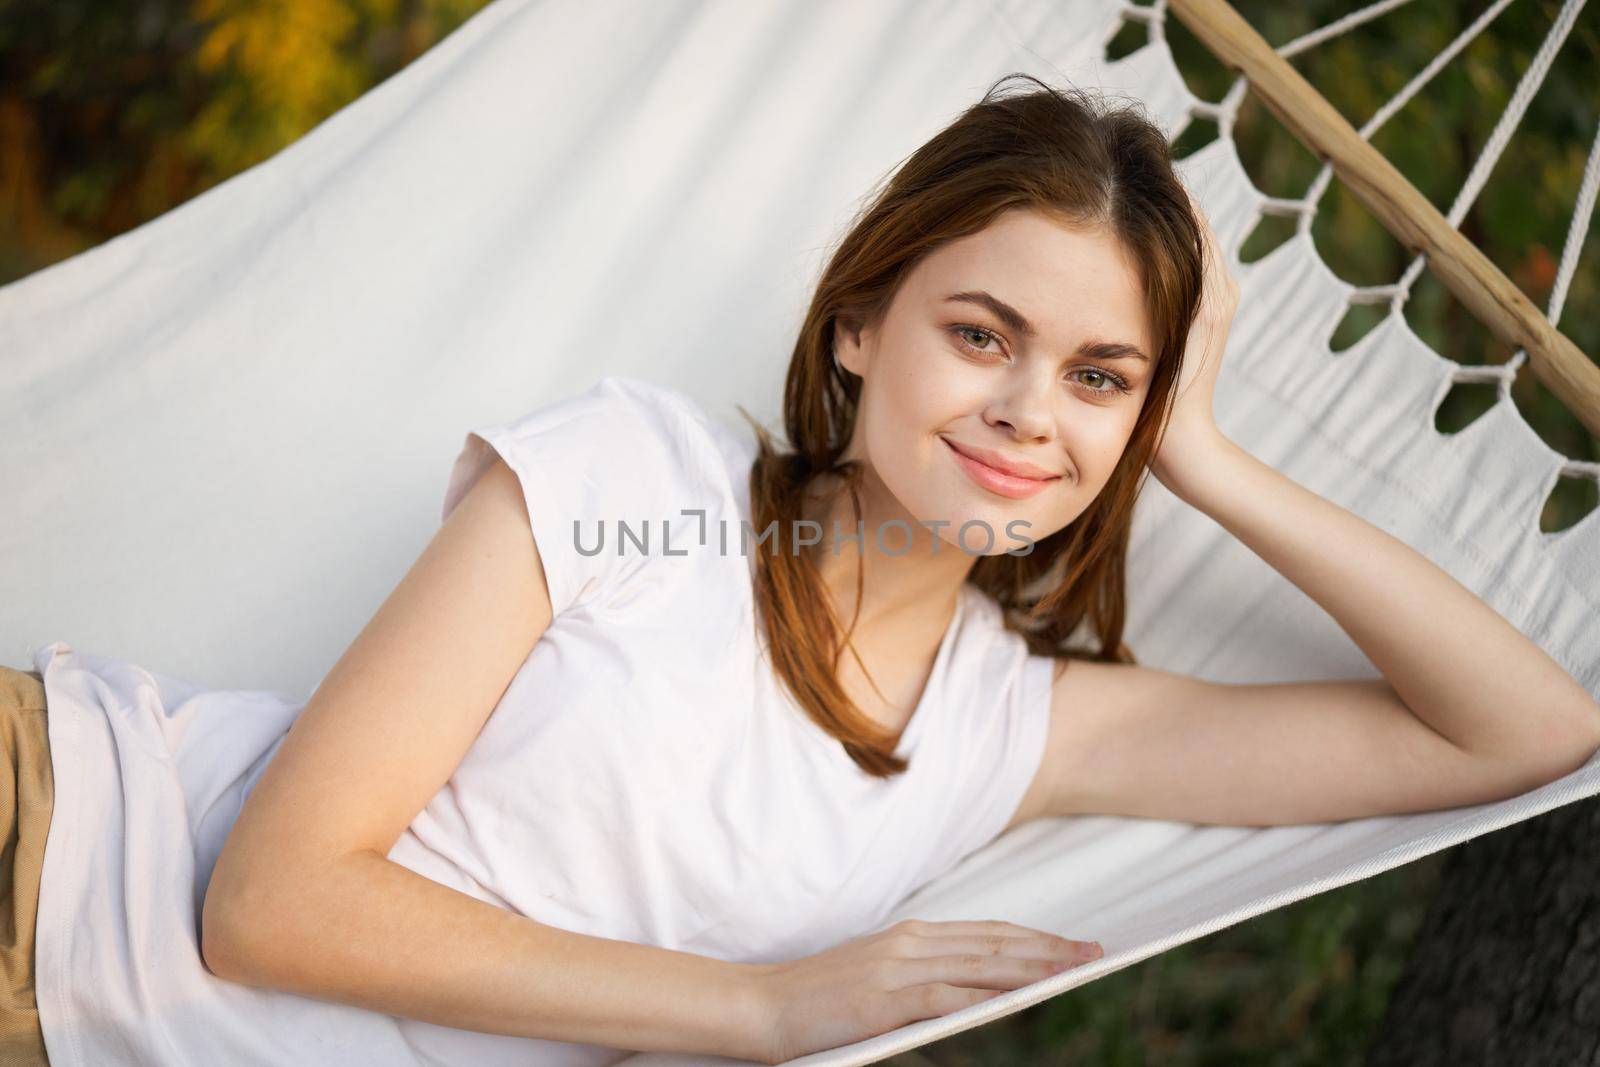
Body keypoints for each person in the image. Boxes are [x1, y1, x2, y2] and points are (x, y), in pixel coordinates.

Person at [6, 72, 1599, 1067]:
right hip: (55, 868)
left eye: (1100, 376)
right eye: (984, 334)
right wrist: (768, 1011)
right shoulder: (642, 483)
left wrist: (1205, 456)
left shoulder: (1014, 734)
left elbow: (1520, 733)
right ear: (860, 326)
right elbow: (269, 906)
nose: (1028, 413)